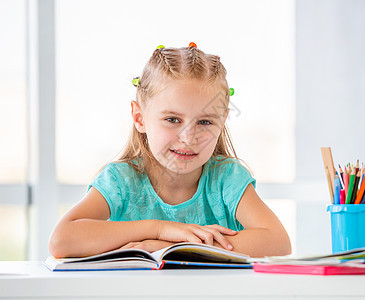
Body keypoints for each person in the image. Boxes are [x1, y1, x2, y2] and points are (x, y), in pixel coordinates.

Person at [49, 43, 291, 258]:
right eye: (173, 119)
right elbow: (62, 240)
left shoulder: (226, 178)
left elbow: (278, 242)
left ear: (223, 121)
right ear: (139, 117)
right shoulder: (121, 181)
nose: (188, 138)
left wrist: (163, 245)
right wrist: (159, 228)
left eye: (205, 122)